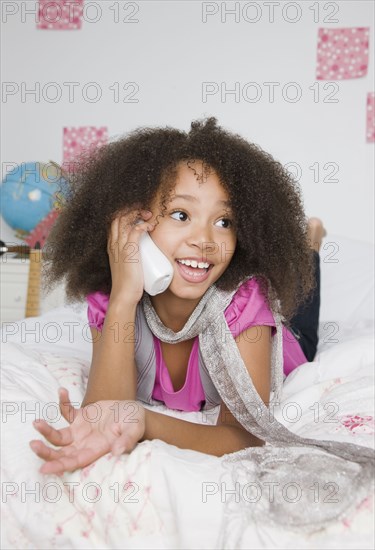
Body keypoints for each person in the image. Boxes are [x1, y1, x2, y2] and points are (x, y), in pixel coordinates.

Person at [30, 117, 326, 475]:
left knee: (305, 330)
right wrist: (125, 294)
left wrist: (148, 421)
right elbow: (105, 411)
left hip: (289, 346)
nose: (204, 240)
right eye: (181, 214)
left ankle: (310, 244)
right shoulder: (111, 302)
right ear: (132, 223)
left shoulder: (245, 303)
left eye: (224, 222)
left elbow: (245, 437)